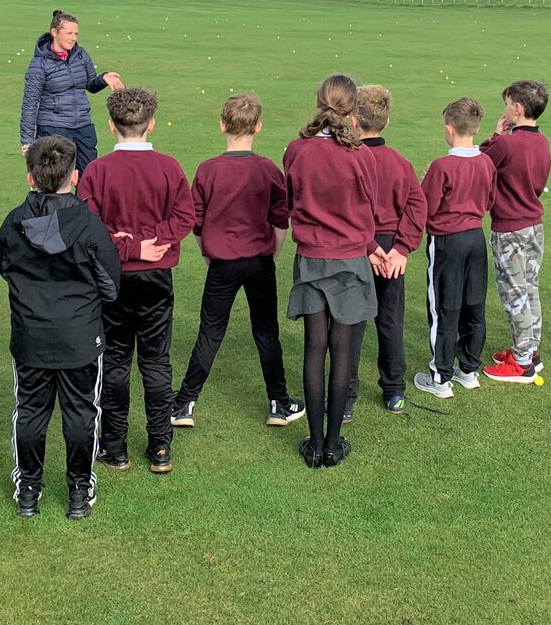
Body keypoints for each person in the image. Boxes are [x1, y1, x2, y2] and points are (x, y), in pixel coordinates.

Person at [0, 136, 121, 520]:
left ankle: (31, 491)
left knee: (32, 411)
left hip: (36, 334)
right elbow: (110, 285)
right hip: (77, 335)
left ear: (30, 178)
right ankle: (77, 491)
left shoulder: (13, 223)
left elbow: (7, 269)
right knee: (81, 412)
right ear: (75, 176)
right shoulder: (89, 225)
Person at [77, 87, 194, 474]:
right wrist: (146, 245)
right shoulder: (169, 167)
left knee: (115, 360)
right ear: (151, 124)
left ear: (111, 126)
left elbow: (87, 227)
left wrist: (128, 247)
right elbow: (183, 218)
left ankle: (115, 446)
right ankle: (160, 446)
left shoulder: (97, 171)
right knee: (156, 361)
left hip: (113, 281)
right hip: (155, 277)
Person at [170, 94, 304, 429]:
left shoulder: (208, 170)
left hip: (223, 263)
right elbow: (280, 219)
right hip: (258, 260)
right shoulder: (267, 169)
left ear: (222, 126)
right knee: (266, 331)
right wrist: (272, 253)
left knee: (211, 331)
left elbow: (195, 222)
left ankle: (185, 403)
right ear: (258, 126)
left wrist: (207, 250)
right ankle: (279, 402)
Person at [283, 74, 380, 468]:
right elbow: (370, 205)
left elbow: (291, 200)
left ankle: (317, 441)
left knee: (314, 348)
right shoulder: (360, 155)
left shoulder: (297, 149)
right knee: (341, 353)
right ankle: (332, 444)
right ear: (353, 108)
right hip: (349, 260)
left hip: (312, 257)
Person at [344, 85, 427, 418]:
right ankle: (394, 391)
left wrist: (379, 247)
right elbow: (417, 205)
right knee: (390, 321)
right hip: (389, 247)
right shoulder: (401, 162)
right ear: (387, 121)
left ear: (353, 121)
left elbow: (346, 210)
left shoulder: (348, 160)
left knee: (351, 323)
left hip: (360, 246)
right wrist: (401, 249)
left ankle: (346, 398)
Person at [413, 98, 496, 400]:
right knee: (473, 303)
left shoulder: (442, 166)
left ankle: (440, 377)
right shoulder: (486, 162)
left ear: (449, 129)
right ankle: (469, 370)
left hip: (447, 241)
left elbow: (426, 206)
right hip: (475, 237)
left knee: (444, 307)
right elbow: (489, 200)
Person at [480, 80, 551, 384]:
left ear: (518, 109)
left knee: (514, 292)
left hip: (510, 227)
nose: (505, 110)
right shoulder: (542, 142)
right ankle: (529, 350)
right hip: (534, 225)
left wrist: (497, 135)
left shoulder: (507, 144)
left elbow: (481, 160)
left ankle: (522, 362)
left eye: (507, 104)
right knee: (529, 287)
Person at [19, 9, 124, 172]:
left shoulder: (81, 55)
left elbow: (90, 85)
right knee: (55, 179)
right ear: (54, 32)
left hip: (83, 126)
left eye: (76, 34)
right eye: (69, 33)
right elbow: (30, 103)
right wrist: (27, 140)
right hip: (53, 128)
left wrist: (103, 79)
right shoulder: (39, 64)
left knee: (88, 177)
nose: (73, 38)